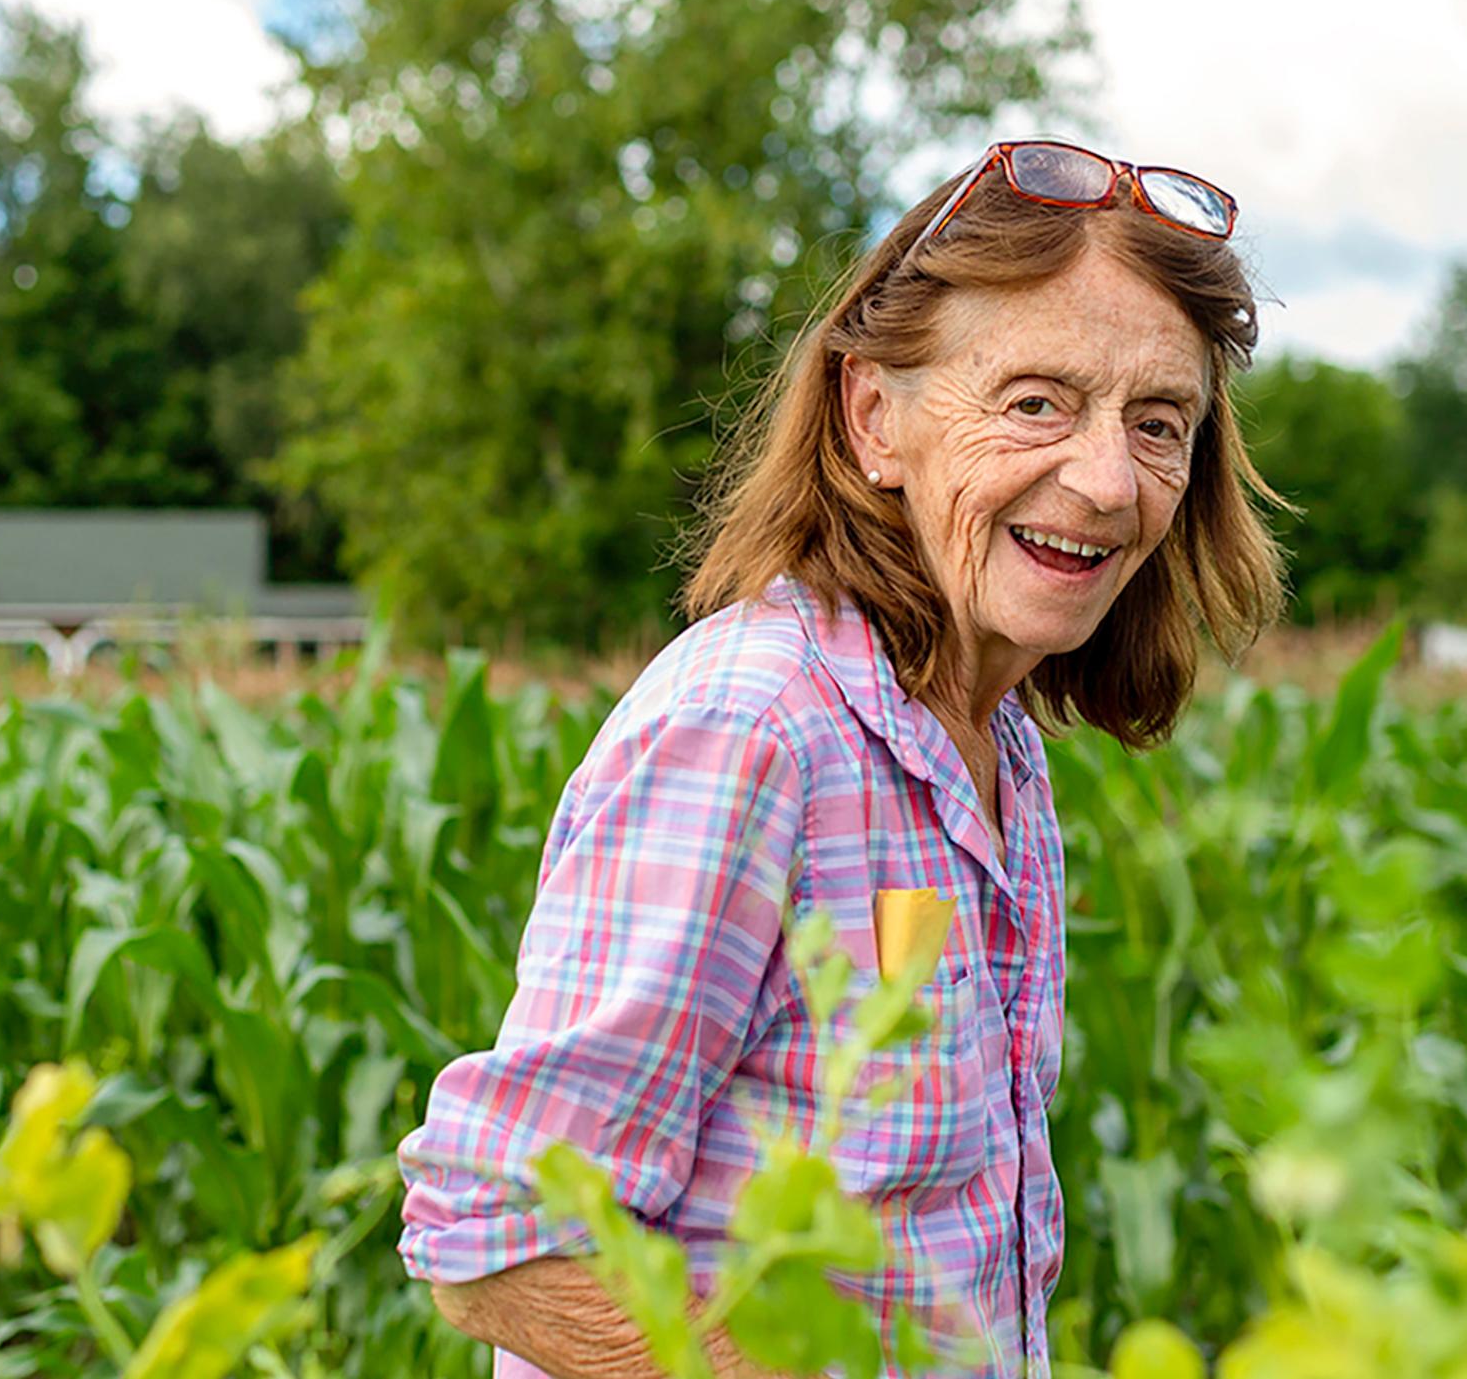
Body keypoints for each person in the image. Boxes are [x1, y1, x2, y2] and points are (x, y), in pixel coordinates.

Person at [393, 139, 1288, 1377]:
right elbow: (499, 1234)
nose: (1106, 480)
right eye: (1036, 401)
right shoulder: (750, 728)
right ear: (875, 416)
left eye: (1158, 423)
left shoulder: (1001, 750)